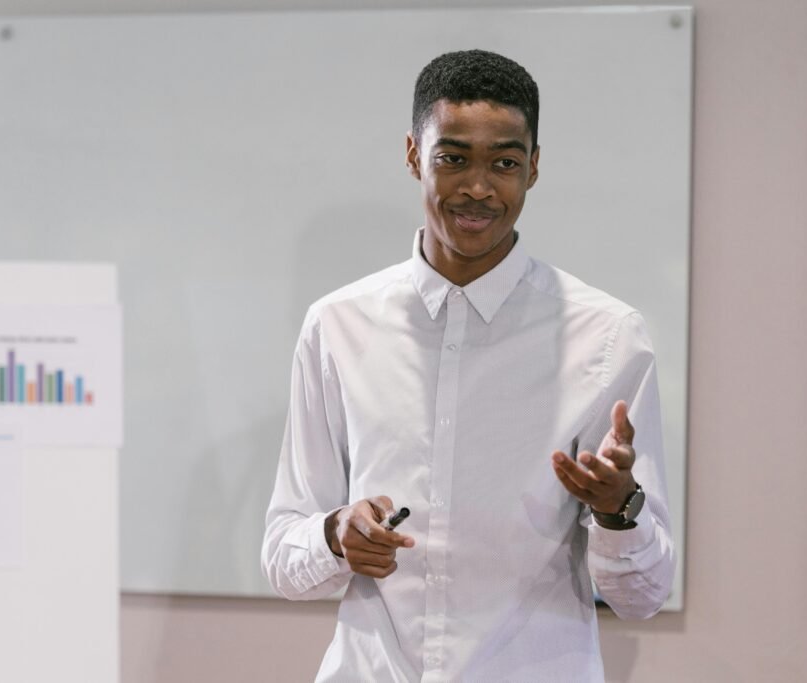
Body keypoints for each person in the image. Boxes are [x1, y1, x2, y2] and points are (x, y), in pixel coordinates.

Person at [261, 49, 676, 682]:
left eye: (504, 163)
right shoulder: (336, 326)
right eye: (452, 158)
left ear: (533, 168)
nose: (478, 187)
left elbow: (643, 596)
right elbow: (283, 550)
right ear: (412, 155)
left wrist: (620, 510)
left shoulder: (607, 338)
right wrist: (334, 533)